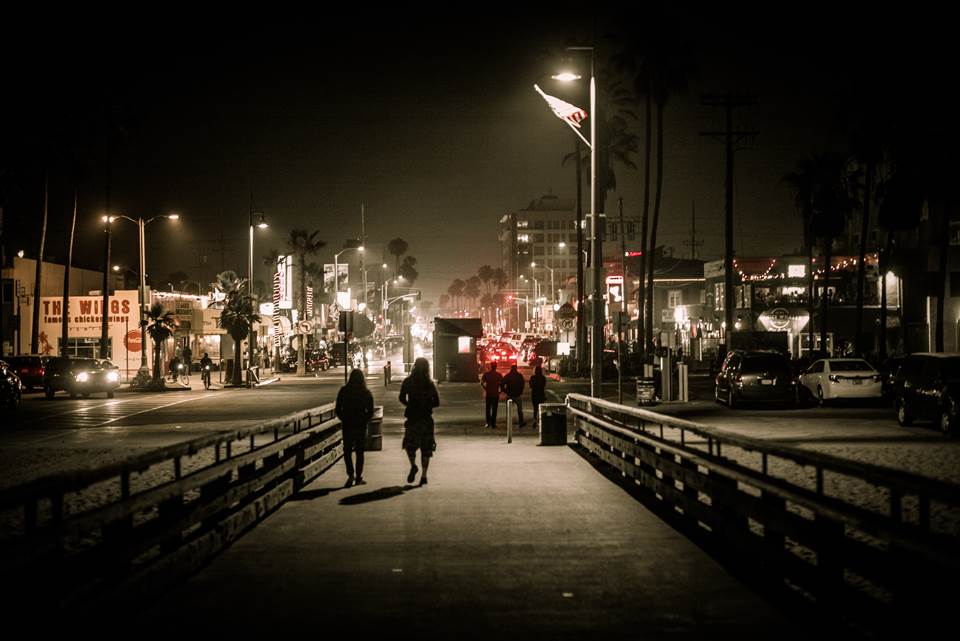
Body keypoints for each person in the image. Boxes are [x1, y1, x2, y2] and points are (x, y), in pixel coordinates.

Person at [399, 357, 440, 486]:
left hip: (412, 419)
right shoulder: (430, 383)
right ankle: (424, 476)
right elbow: (437, 402)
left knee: (410, 445)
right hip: (426, 420)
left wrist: (410, 405)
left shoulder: (408, 381)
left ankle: (413, 465)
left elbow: (401, 397)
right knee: (426, 448)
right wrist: (427, 405)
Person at [335, 368, 375, 487]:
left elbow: (338, 409)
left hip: (347, 425)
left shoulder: (344, 391)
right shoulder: (365, 392)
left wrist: (344, 418)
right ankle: (358, 477)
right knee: (359, 452)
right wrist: (365, 420)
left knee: (347, 451)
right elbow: (371, 411)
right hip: (360, 425)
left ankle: (350, 474)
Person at [501, 363, 526, 428]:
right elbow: (522, 384)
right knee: (520, 410)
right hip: (517, 395)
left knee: (509, 410)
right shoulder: (519, 376)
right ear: (516, 369)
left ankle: (509, 422)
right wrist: (520, 391)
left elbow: (502, 384)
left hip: (510, 395)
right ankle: (521, 422)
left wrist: (505, 391)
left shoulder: (508, 376)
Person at [480, 361, 503, 429]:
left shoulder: (486, 374)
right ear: (496, 367)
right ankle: (493, 423)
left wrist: (485, 388)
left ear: (490, 366)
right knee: (494, 409)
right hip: (495, 394)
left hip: (489, 393)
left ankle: (488, 422)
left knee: (488, 409)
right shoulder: (498, 374)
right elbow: (502, 383)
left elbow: (482, 382)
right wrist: (500, 391)